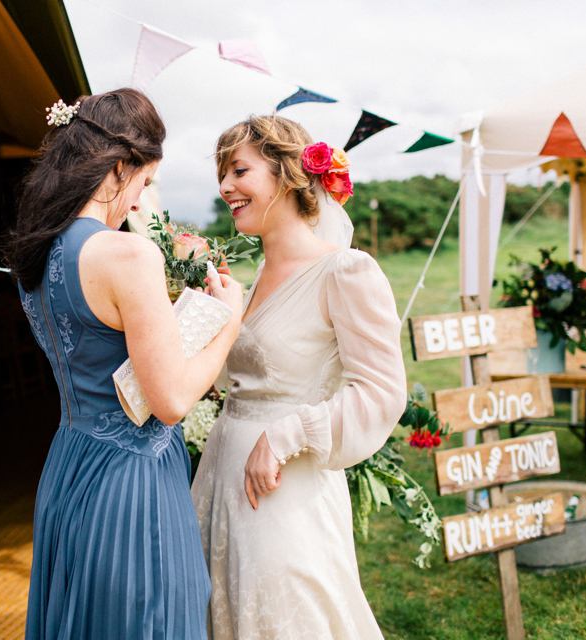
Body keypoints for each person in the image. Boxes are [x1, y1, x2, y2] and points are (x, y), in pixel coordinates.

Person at [2, 88, 244, 639]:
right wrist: (227, 316)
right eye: (145, 180)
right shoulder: (127, 254)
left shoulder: (36, 255)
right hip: (131, 482)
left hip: (68, 464)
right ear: (118, 167)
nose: (140, 199)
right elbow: (172, 399)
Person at [191, 115, 407, 639]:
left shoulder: (346, 272)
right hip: (220, 481)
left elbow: (382, 392)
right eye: (222, 175)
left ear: (288, 174)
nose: (225, 188)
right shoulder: (255, 277)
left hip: (285, 490)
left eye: (239, 170)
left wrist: (287, 435)